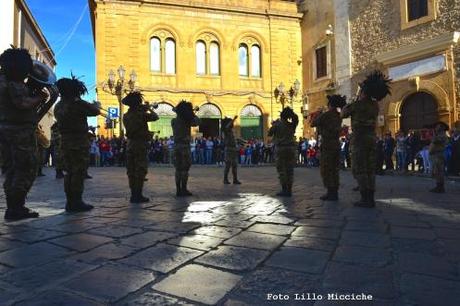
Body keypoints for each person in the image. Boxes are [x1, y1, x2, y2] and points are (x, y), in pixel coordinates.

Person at [0, 48, 50, 220]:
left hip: (9, 130)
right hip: (19, 132)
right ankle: (16, 208)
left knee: (12, 169)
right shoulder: (13, 84)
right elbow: (22, 103)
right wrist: (40, 98)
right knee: (26, 168)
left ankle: (14, 207)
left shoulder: (3, 81)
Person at [342, 70, 391, 208]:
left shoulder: (357, 105)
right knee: (370, 169)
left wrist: (355, 99)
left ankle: (365, 198)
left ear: (363, 91)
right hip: (371, 138)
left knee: (359, 168)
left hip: (359, 139)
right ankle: (370, 197)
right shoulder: (374, 105)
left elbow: (344, 113)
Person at [54, 76, 100, 212]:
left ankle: (70, 201)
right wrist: (96, 105)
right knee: (78, 172)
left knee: (69, 172)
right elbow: (95, 111)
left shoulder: (58, 106)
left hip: (65, 141)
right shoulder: (77, 104)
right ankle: (77, 202)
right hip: (79, 142)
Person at [122, 92, 159, 203]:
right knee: (140, 169)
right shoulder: (141, 114)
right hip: (140, 144)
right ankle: (138, 195)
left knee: (131, 170)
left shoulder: (126, 115)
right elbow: (155, 117)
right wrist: (148, 108)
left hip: (130, 144)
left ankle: (133, 194)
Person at [311, 95, 346, 201]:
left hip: (327, 145)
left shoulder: (326, 115)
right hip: (336, 144)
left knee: (327, 169)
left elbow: (313, 123)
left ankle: (330, 192)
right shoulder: (338, 115)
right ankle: (334, 191)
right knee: (335, 169)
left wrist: (318, 113)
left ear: (330, 104)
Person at [268, 107, 299, 197]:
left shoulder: (277, 125)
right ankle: (289, 189)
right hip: (291, 148)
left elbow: (269, 134)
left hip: (281, 149)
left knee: (282, 169)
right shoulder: (291, 125)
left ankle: (284, 189)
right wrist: (292, 114)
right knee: (290, 169)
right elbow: (296, 119)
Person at [172, 100, 200, 196]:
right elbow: (197, 122)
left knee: (178, 169)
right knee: (184, 169)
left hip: (176, 146)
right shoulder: (187, 121)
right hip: (184, 147)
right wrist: (192, 114)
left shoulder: (173, 121)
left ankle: (178, 190)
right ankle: (183, 189)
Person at [429, 122, 449, 193]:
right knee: (436, 171)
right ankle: (438, 186)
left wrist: (433, 134)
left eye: (437, 126)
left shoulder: (442, 135)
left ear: (441, 127)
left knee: (439, 171)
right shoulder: (439, 134)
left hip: (439, 154)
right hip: (436, 154)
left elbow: (435, 141)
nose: (435, 127)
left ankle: (440, 187)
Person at [222, 116, 241, 184]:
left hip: (233, 149)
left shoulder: (231, 132)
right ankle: (225, 179)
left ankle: (235, 179)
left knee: (235, 165)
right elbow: (227, 126)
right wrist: (233, 119)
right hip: (229, 150)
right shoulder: (226, 131)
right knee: (227, 165)